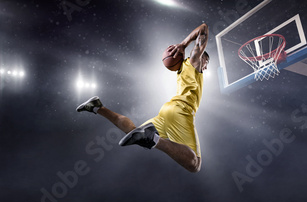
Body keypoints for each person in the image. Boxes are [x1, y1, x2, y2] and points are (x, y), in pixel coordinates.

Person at [76, 23, 209, 173]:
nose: (206, 67)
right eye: (206, 63)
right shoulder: (194, 61)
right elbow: (203, 28)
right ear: (202, 57)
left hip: (166, 111)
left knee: (134, 131)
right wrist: (184, 44)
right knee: (195, 164)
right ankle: (153, 139)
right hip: (182, 110)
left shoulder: (181, 69)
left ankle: (97, 107)